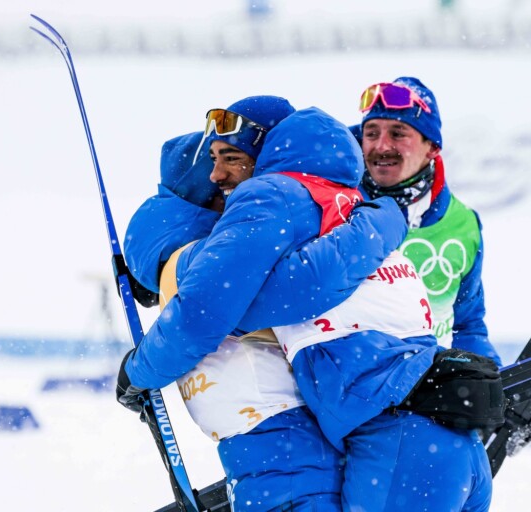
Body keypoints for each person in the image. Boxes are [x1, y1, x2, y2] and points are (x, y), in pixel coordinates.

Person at [119, 104, 503, 511]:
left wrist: (138, 371)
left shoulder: (270, 198)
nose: (217, 175)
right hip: (447, 427)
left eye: (230, 157)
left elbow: (203, 314)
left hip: (394, 440)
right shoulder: (356, 208)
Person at [355, 77, 501, 366]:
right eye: (371, 133)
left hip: (430, 382)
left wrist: (496, 381)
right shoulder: (338, 207)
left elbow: (467, 326)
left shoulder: (463, 224)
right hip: (354, 382)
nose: (381, 146)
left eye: (398, 134)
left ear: (432, 147)